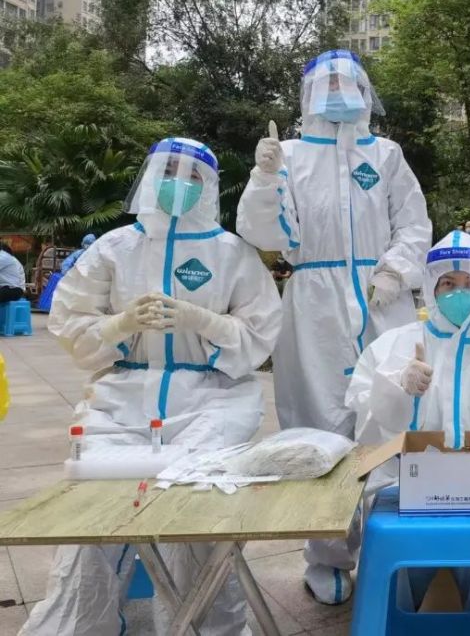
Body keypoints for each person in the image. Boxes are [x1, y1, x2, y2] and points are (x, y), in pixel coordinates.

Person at [22, 137, 282, 636]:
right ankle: (80, 626)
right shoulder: (115, 248)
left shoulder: (232, 252)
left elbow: (260, 334)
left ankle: (204, 628)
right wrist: (119, 325)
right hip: (120, 397)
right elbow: (71, 321)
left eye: (192, 176)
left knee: (196, 510)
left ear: (208, 187)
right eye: (168, 171)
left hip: (213, 399)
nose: (178, 184)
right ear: (149, 177)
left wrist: (201, 320)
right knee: (91, 513)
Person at [236, 49, 431, 603]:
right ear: (309, 96)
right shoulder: (292, 156)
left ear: (365, 93)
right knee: (317, 425)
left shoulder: (385, 154)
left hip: (381, 301)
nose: (340, 93)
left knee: (392, 417)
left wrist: (394, 271)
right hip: (313, 306)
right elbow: (265, 235)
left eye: (350, 84)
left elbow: (413, 223)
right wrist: (265, 178)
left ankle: (396, 549)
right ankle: (327, 556)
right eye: (330, 84)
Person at [345, 230, 470, 598]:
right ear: (432, 288)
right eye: (448, 283)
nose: (459, 292)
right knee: (403, 583)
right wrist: (397, 385)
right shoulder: (395, 344)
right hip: (403, 489)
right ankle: (402, 606)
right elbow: (364, 420)